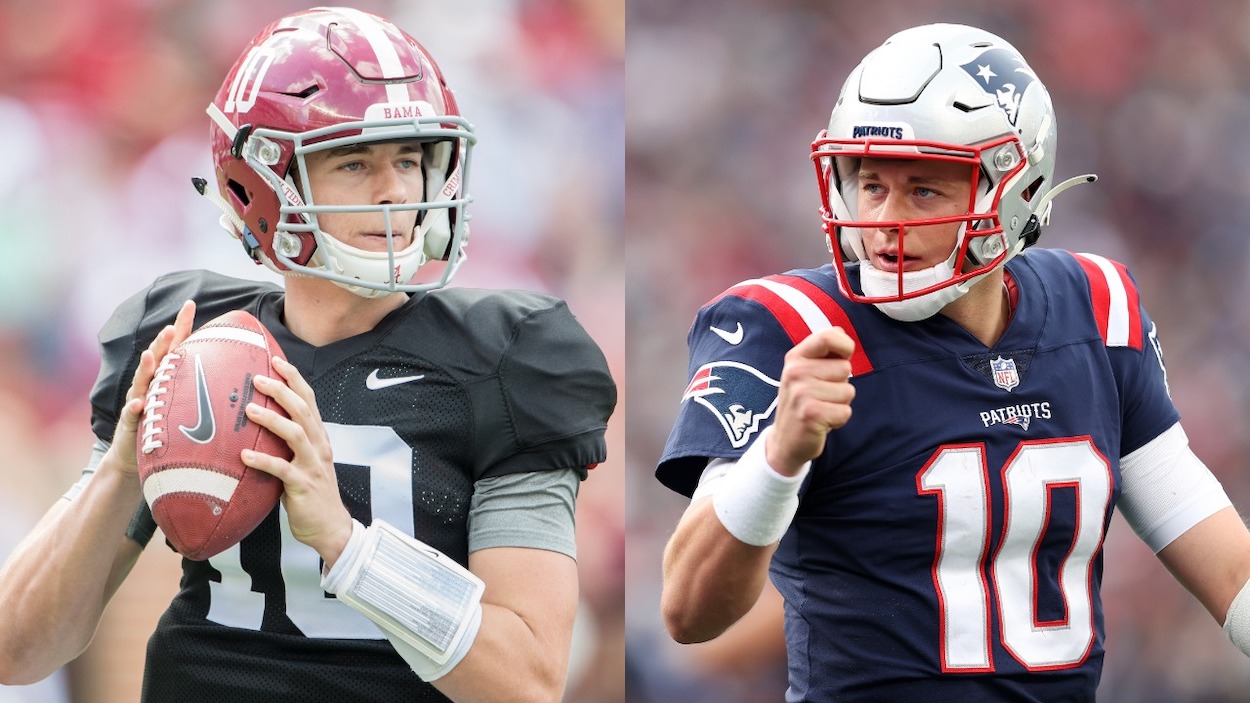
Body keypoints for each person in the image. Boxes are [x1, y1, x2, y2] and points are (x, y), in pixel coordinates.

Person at [0, 7, 616, 703]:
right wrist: (118, 469)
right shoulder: (192, 341)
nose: (396, 190)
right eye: (356, 162)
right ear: (259, 182)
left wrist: (350, 547)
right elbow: (17, 649)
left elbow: (528, 682)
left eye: (409, 158)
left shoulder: (506, 358)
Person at [655, 22, 1250, 702]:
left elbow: (1230, 571)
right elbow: (687, 610)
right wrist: (778, 457)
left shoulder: (1098, 311)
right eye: (871, 184)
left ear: (1015, 191)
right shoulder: (790, 330)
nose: (884, 221)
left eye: (924, 191)